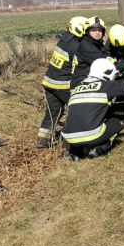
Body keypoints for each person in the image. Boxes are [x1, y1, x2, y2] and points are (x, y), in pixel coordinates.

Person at [62, 58, 124, 160]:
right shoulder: (106, 86)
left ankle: (70, 152)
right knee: (118, 121)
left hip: (69, 138)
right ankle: (98, 149)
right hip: (91, 136)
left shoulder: (77, 88)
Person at [37, 16, 89, 148]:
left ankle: (43, 140)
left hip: (49, 83)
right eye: (86, 29)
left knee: (53, 112)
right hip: (63, 84)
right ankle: (69, 140)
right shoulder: (76, 46)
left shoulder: (63, 40)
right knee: (77, 110)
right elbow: (78, 68)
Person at [70, 16, 108, 89]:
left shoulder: (96, 44)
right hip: (80, 87)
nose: (97, 33)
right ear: (87, 31)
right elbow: (104, 63)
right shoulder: (86, 46)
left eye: (100, 30)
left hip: (89, 84)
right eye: (94, 30)